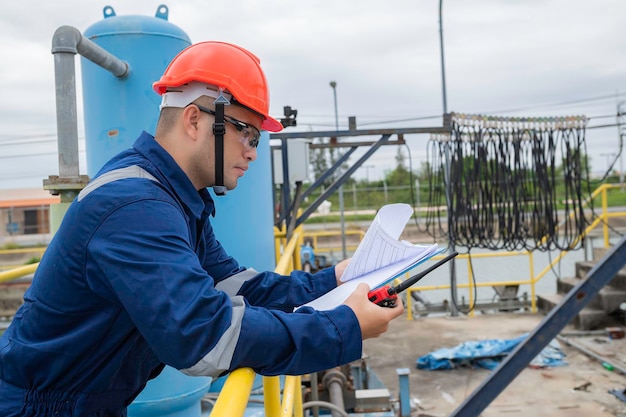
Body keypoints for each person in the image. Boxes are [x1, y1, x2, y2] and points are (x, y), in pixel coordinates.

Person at [0, 41, 403, 416]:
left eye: (258, 139)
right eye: (246, 132)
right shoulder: (136, 207)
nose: (252, 151)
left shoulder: (174, 200)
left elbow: (235, 286)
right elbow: (203, 337)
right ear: (194, 119)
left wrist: (333, 280)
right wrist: (343, 326)